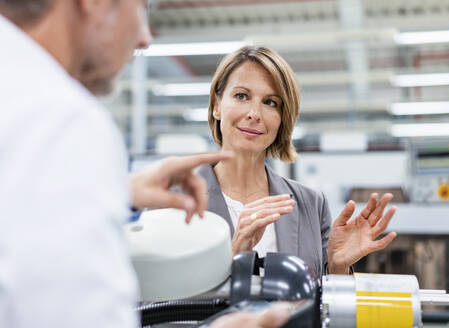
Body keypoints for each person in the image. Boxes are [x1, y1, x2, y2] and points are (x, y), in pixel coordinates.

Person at [0, 1, 288, 327]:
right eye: (139, 8)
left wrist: (115, 190)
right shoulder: (61, 121)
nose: (144, 38)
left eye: (270, 102)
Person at [200, 46, 397, 276]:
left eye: (270, 102)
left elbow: (324, 303)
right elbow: (158, 302)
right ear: (216, 106)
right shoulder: (173, 199)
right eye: (241, 96)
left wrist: (337, 267)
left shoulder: (310, 205)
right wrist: (233, 257)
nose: (254, 113)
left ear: (282, 118)